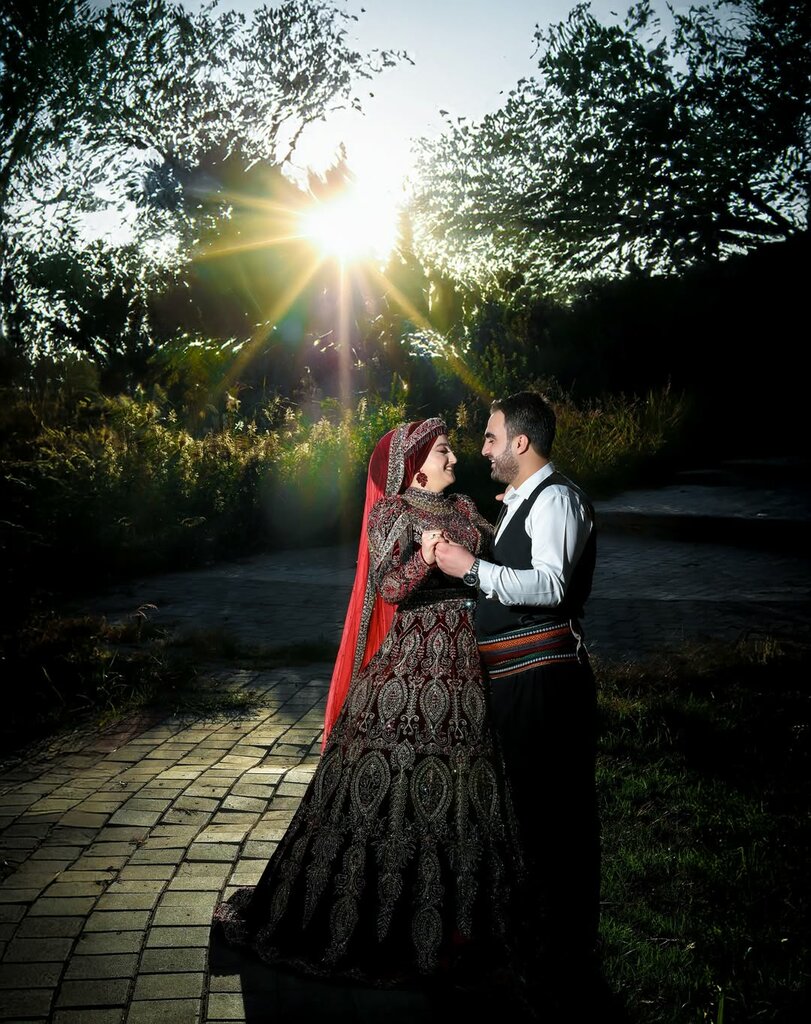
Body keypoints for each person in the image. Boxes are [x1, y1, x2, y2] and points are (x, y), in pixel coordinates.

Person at [213, 417, 531, 992]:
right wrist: (425, 559)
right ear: (414, 465)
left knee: (470, 781)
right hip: (411, 663)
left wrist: (510, 511)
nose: (454, 457)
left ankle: (470, 919)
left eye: (451, 449)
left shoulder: (464, 508)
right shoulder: (393, 513)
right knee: (390, 783)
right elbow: (389, 587)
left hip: (467, 659)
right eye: (442, 450)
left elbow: (500, 556)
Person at [435, 391, 600, 998]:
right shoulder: (527, 499)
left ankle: (564, 956)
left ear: (520, 443)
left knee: (553, 816)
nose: (483, 449)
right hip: (517, 680)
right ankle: (540, 944)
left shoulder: (556, 497)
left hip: (544, 680)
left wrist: (471, 569)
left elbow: (551, 584)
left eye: (490, 437)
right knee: (527, 814)